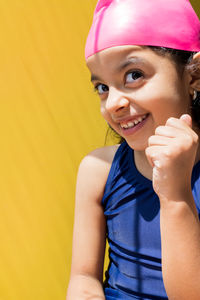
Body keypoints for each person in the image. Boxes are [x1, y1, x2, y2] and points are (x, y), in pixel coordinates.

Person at [67, 0, 200, 299]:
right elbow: (84, 279)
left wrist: (176, 195)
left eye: (134, 75)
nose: (113, 103)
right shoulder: (98, 171)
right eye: (102, 87)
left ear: (193, 74)